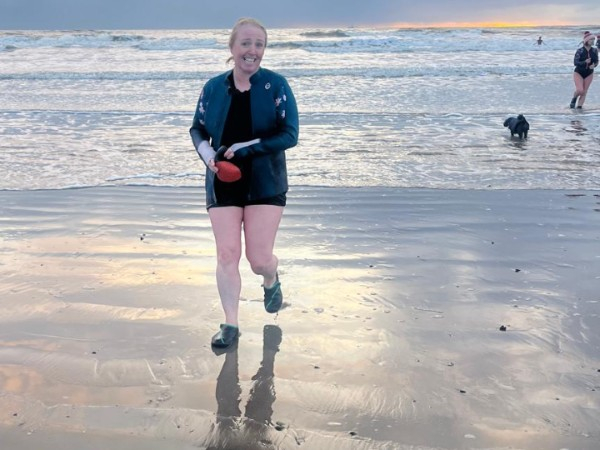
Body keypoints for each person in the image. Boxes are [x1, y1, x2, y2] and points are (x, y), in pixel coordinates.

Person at [189, 18, 299, 349]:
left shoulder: (276, 86)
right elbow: (197, 128)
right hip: (223, 180)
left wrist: (247, 148)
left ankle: (271, 277)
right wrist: (208, 155)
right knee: (227, 253)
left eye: (259, 44)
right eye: (246, 43)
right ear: (232, 47)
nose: (252, 50)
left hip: (265, 181)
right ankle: (230, 324)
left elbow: (290, 134)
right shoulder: (213, 88)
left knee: (258, 259)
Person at [569, 31, 598, 109]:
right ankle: (574, 98)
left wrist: (594, 65)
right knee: (580, 90)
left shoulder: (594, 50)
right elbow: (575, 62)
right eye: (591, 39)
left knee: (584, 92)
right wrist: (584, 62)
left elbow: (596, 61)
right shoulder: (580, 51)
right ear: (586, 41)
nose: (593, 41)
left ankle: (579, 108)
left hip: (589, 73)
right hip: (579, 72)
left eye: (593, 39)